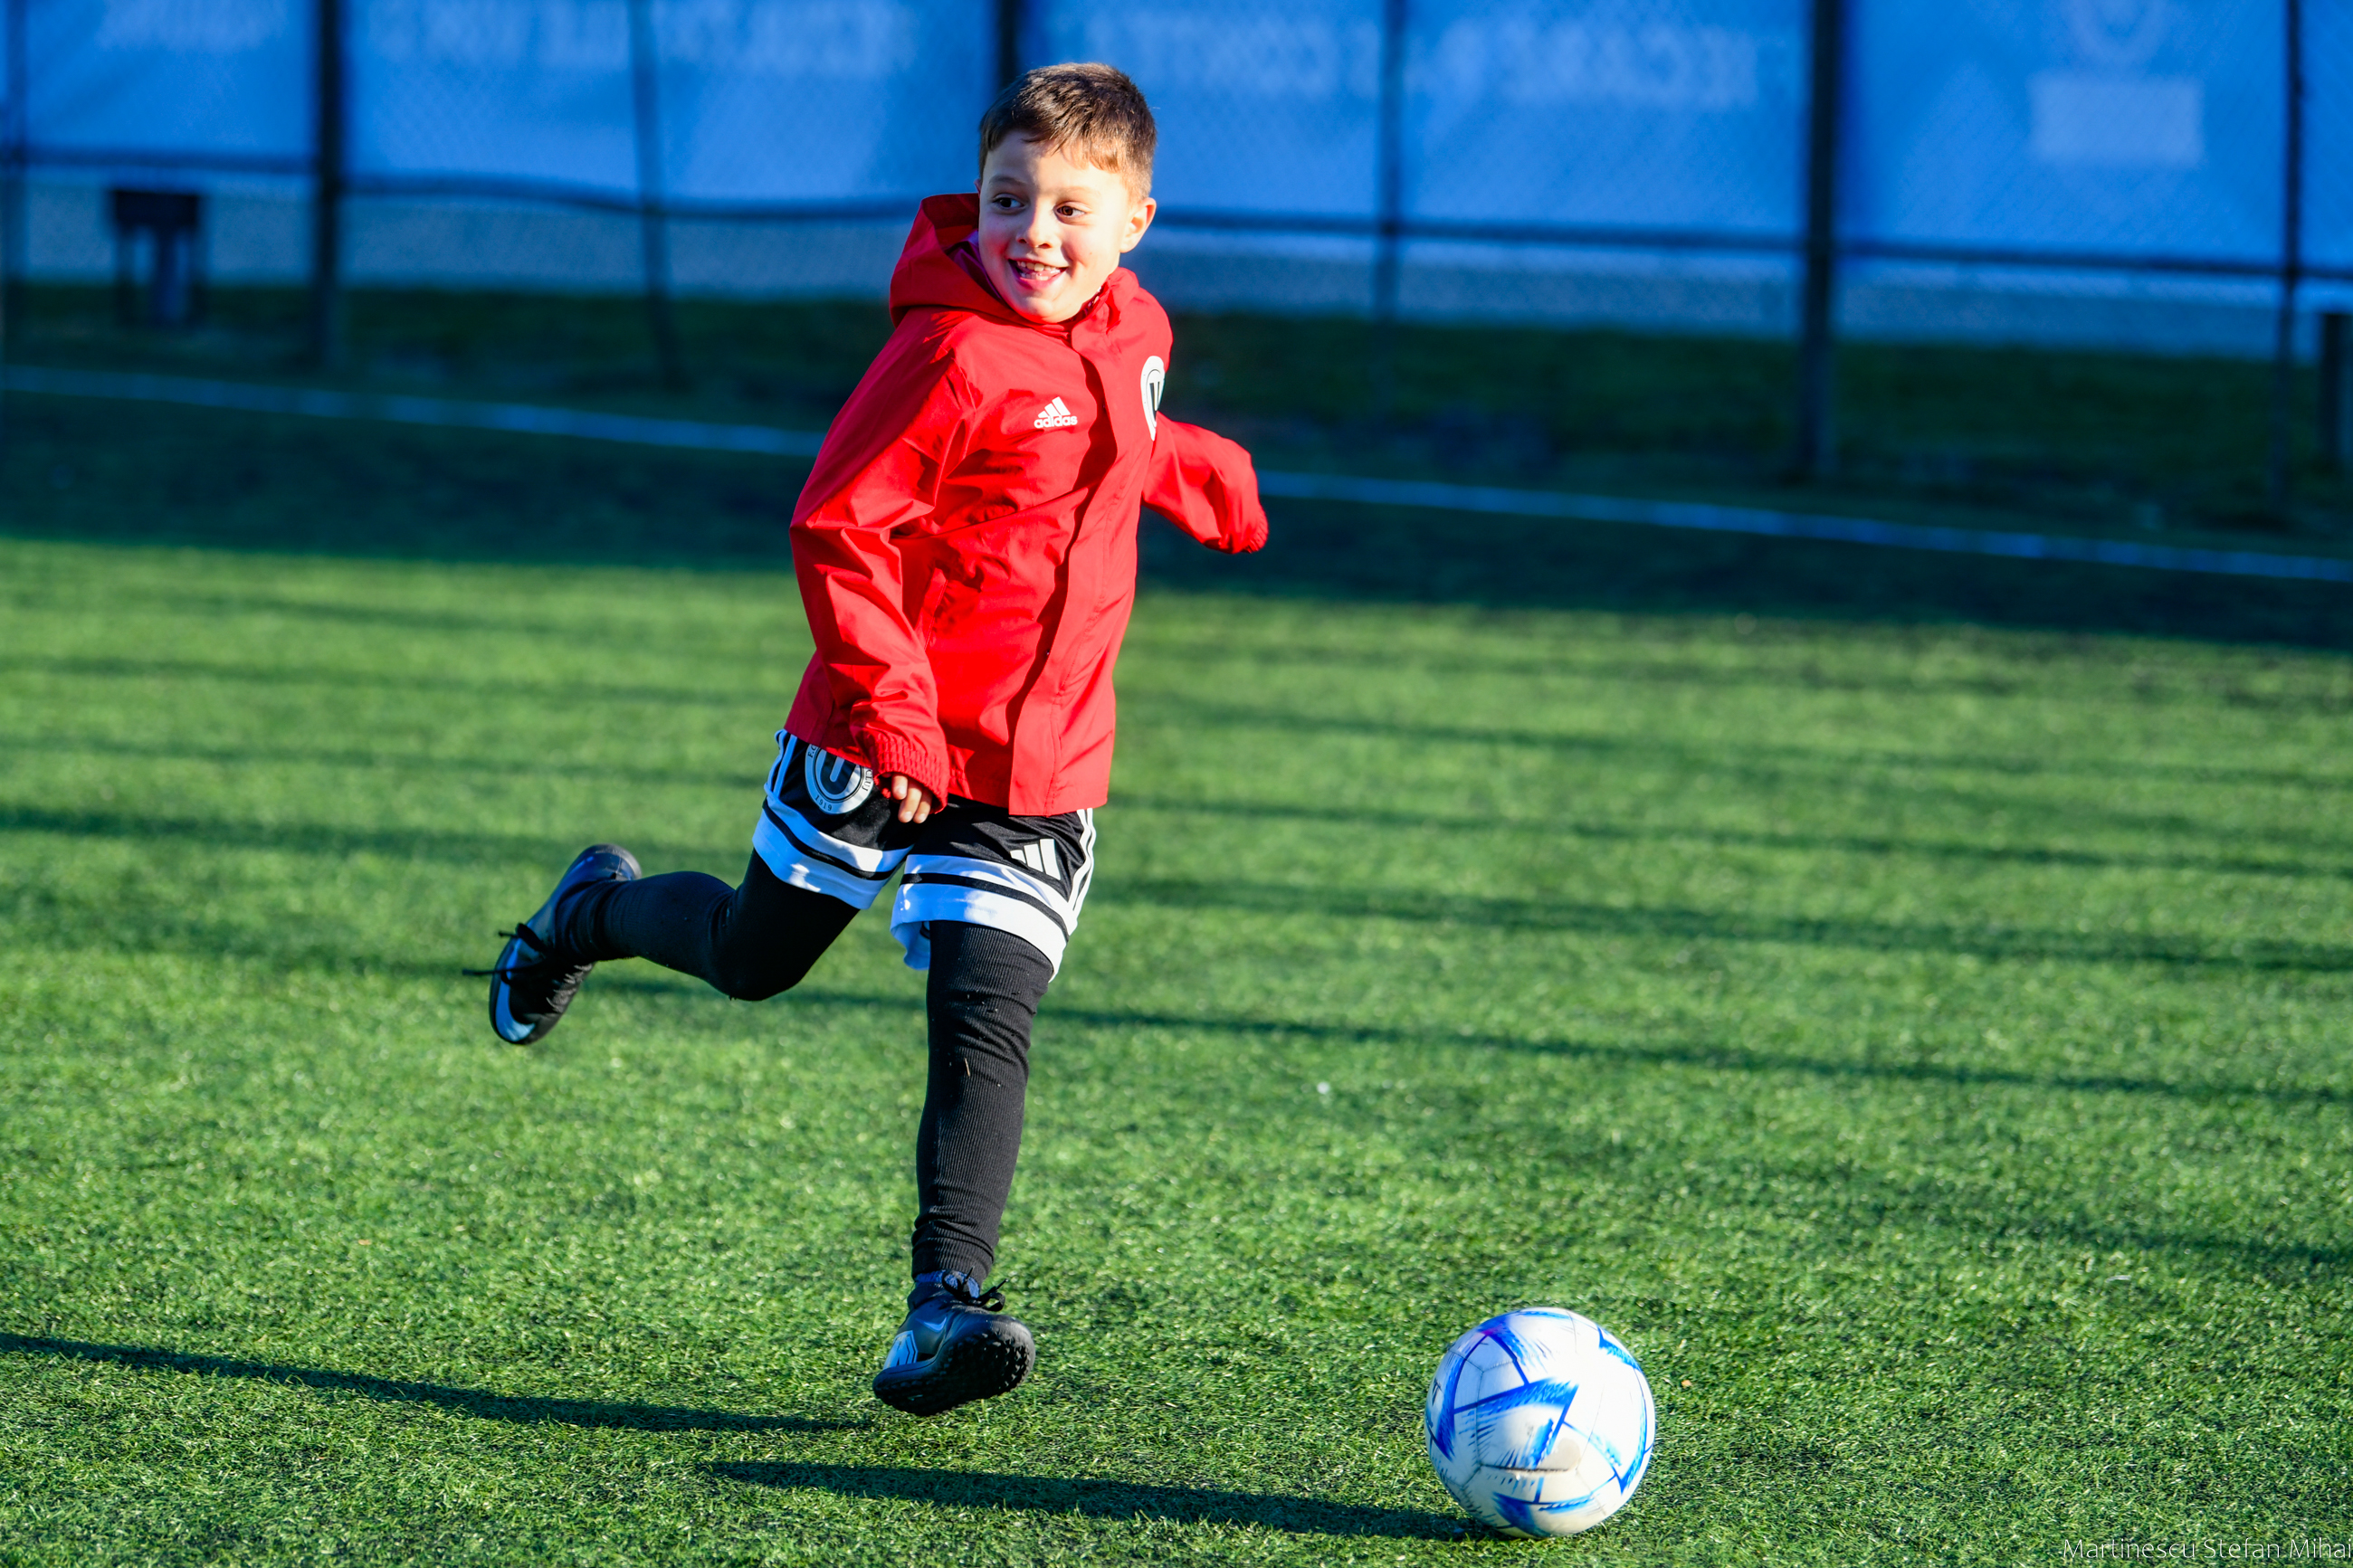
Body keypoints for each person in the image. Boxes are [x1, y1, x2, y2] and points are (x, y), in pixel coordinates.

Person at [470, 62, 1266, 1418]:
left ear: (1136, 219)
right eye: (1010, 199)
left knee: (985, 1016)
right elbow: (836, 525)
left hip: (1042, 763)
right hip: (884, 734)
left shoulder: (1135, 331)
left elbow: (1118, 422)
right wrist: (894, 708)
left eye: (1072, 209)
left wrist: (1202, 473)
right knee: (751, 956)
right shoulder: (948, 354)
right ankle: (586, 914)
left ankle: (942, 1309)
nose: (1034, 233)